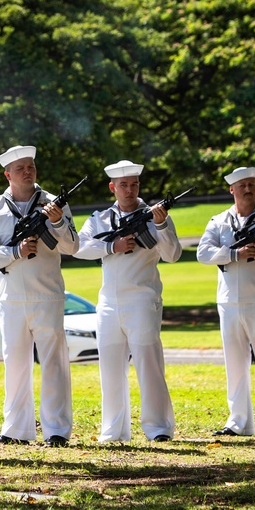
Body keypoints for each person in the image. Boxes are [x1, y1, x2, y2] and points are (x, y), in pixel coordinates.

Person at [0, 145, 79, 447]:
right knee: (15, 363)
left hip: (47, 295)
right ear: (7, 174)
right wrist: (15, 252)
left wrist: (58, 222)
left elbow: (73, 246)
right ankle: (16, 430)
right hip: (12, 298)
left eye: (31, 165)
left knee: (54, 362)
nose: (27, 171)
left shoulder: (53, 203)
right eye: (20, 168)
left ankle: (57, 430)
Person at [74, 160, 181, 442]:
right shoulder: (100, 218)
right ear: (113, 187)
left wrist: (162, 224)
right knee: (109, 367)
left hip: (143, 299)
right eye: (123, 185)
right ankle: (114, 430)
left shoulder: (153, 215)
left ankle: (158, 427)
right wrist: (112, 245)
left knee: (149, 364)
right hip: (108, 301)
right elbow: (79, 246)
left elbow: (173, 254)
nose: (130, 190)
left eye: (134, 184)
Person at [196, 166, 255, 438]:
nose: (248, 189)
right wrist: (233, 254)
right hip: (228, 302)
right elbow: (203, 253)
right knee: (235, 364)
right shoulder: (219, 221)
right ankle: (238, 421)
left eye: (251, 184)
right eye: (242, 186)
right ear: (232, 190)